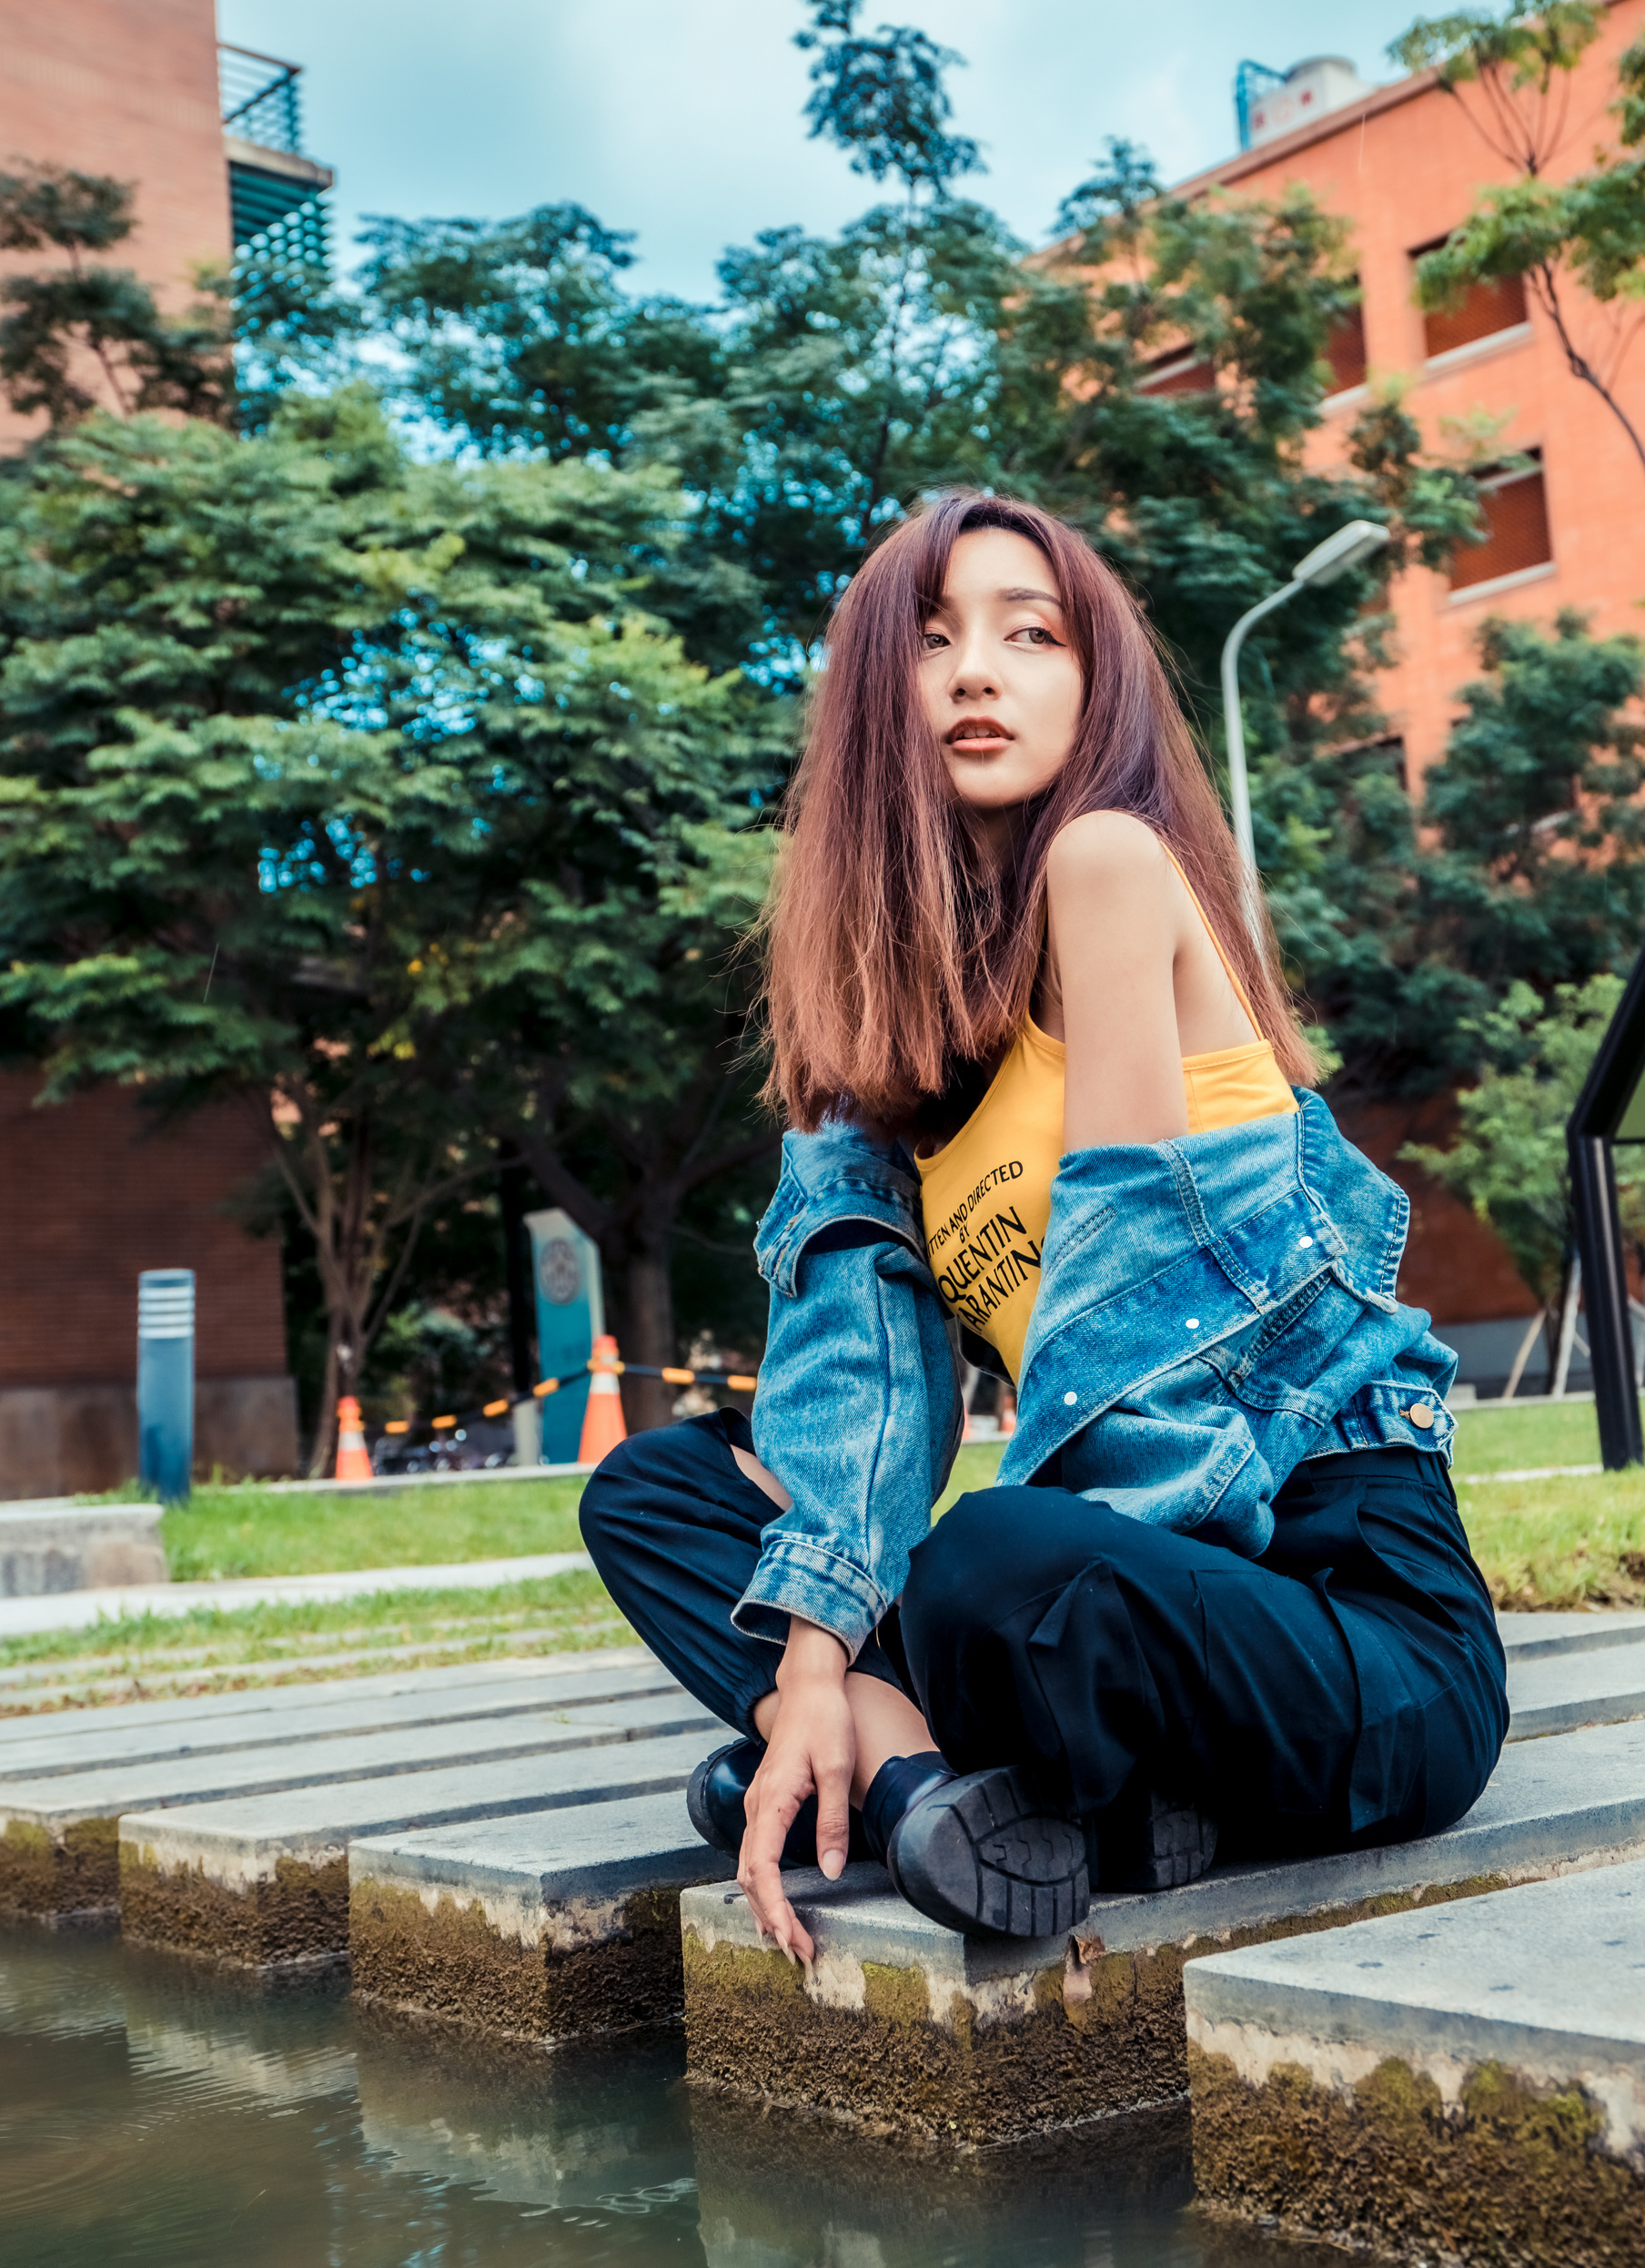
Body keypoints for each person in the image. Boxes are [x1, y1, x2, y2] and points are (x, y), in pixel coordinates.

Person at [578, 491, 1505, 1961]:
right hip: (1108, 1615)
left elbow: (1122, 1351)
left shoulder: (1112, 871)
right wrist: (817, 1664)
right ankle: (925, 1781)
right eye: (931, 640)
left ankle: (905, 1776)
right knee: (658, 1493)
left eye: (1030, 633)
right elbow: (855, 1385)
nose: (975, 671)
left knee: (992, 1563)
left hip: (1352, 1630)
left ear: (1099, 680)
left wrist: (922, 1648)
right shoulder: (878, 1050)